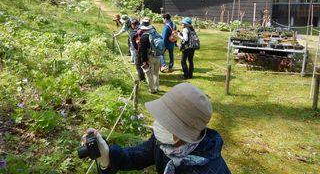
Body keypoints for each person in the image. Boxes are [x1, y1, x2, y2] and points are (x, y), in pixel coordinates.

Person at [81, 83, 231, 174]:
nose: (156, 124)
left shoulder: (207, 170)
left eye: (165, 120)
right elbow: (136, 156)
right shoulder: (165, 145)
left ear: (182, 133)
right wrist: (107, 155)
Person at [139, 18, 161, 93]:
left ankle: (152, 89)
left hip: (150, 57)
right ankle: (156, 87)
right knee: (156, 73)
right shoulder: (155, 33)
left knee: (149, 74)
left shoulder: (144, 37)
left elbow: (143, 51)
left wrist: (144, 61)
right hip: (158, 56)